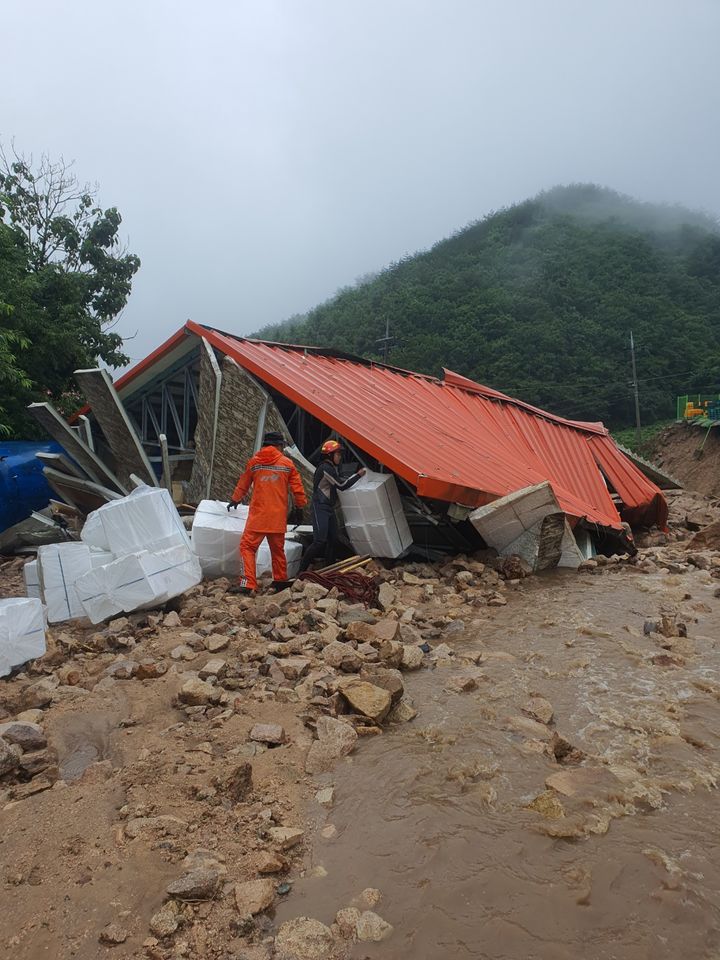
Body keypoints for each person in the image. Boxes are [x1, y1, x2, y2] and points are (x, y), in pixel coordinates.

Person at [227, 431, 307, 595]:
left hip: (258, 517)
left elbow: (244, 482)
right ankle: (280, 581)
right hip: (277, 518)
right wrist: (300, 507)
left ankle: (248, 583)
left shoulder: (255, 462)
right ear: (279, 445)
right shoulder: (287, 464)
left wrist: (235, 499)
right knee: (278, 550)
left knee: (247, 547)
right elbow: (297, 488)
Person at [299, 439, 365, 572]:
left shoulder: (331, 468)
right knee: (319, 541)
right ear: (330, 455)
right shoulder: (325, 468)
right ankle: (301, 570)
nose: (340, 457)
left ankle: (329, 568)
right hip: (320, 508)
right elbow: (342, 485)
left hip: (328, 508)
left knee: (333, 539)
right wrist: (358, 475)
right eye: (338, 454)